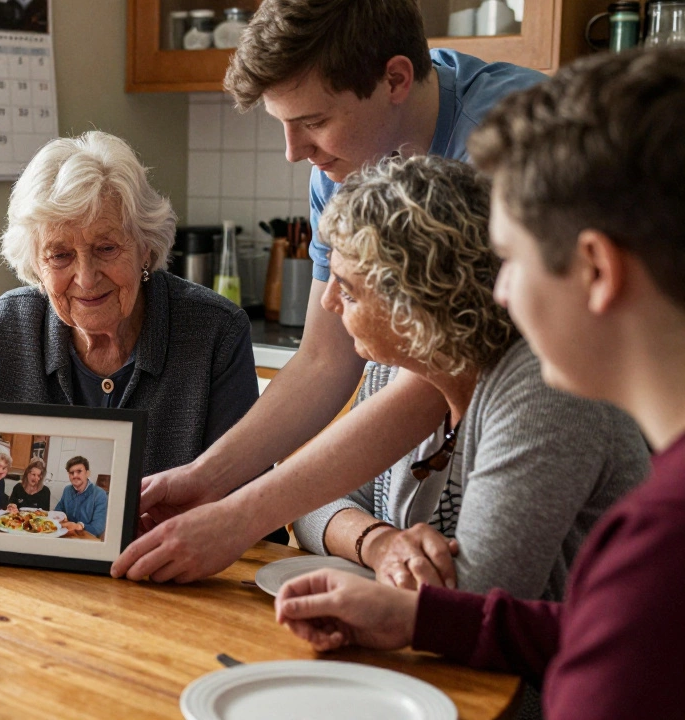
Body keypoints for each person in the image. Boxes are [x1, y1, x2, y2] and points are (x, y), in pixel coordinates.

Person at [274, 48, 685, 719]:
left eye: (513, 261)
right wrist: (408, 608)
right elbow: (582, 630)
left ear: (597, 273)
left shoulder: (658, 532)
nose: (499, 294)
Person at [114, 0, 547, 584]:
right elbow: (324, 356)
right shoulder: (344, 163)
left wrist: (240, 517)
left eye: (313, 122)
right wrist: (206, 479)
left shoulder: (515, 141)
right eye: (284, 125)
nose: (295, 153)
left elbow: (452, 366)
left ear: (394, 78)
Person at [0, 131, 262, 558]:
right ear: (36, 267)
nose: (85, 277)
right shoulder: (4, 327)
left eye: (106, 248)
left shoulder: (215, 333)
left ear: (144, 248)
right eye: (60, 255)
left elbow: (252, 500)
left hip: (170, 584)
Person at [288, 155, 646, 597]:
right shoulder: (393, 366)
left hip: (548, 663)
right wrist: (380, 544)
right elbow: (307, 507)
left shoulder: (543, 391)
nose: (328, 303)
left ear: (414, 303)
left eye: (348, 290)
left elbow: (479, 599)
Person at [54, 456, 108, 538]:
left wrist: (78, 526)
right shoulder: (67, 490)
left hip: (85, 539)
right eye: (71, 473)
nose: (75, 475)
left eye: (79, 471)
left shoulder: (100, 494)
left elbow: (98, 527)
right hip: (66, 535)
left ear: (87, 473)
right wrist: (59, 517)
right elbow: (57, 512)